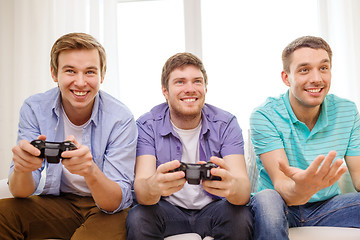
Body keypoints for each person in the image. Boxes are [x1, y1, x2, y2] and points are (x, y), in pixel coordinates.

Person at [0, 32, 137, 239]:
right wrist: (22, 169)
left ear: (102, 75)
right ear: (54, 73)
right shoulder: (34, 108)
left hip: (107, 210)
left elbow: (114, 202)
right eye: (70, 71)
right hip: (60, 202)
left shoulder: (120, 117)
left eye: (90, 72)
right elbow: (21, 191)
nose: (81, 83)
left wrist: (90, 171)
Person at [126, 52, 253, 240]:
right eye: (180, 82)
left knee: (241, 216)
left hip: (213, 209)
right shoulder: (147, 125)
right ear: (165, 91)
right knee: (138, 217)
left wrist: (232, 186)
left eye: (197, 81)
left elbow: (243, 192)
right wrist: (154, 186)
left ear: (205, 88)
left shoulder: (226, 123)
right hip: (167, 210)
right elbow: (143, 191)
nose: (190, 89)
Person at [249, 36, 360, 240]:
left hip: (328, 207)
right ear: (286, 78)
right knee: (267, 200)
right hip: (281, 205)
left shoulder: (348, 111)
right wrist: (304, 187)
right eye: (304, 70)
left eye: (323, 68)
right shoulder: (264, 115)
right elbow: (282, 185)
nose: (317, 78)